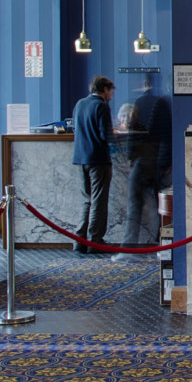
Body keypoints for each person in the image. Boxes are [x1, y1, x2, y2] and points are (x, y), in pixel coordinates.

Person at [122, 79, 172, 248]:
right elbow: (165, 135)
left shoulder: (143, 107)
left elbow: (133, 145)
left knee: (134, 206)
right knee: (162, 207)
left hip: (143, 164)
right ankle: (162, 240)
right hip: (159, 163)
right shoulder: (164, 104)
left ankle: (129, 245)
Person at [71, 76, 115, 254]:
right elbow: (106, 136)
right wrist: (116, 134)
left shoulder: (80, 104)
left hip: (81, 157)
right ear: (104, 89)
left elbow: (75, 128)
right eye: (111, 90)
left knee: (87, 199)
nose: (111, 94)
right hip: (98, 159)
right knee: (99, 200)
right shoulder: (101, 106)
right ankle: (95, 240)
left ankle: (80, 239)